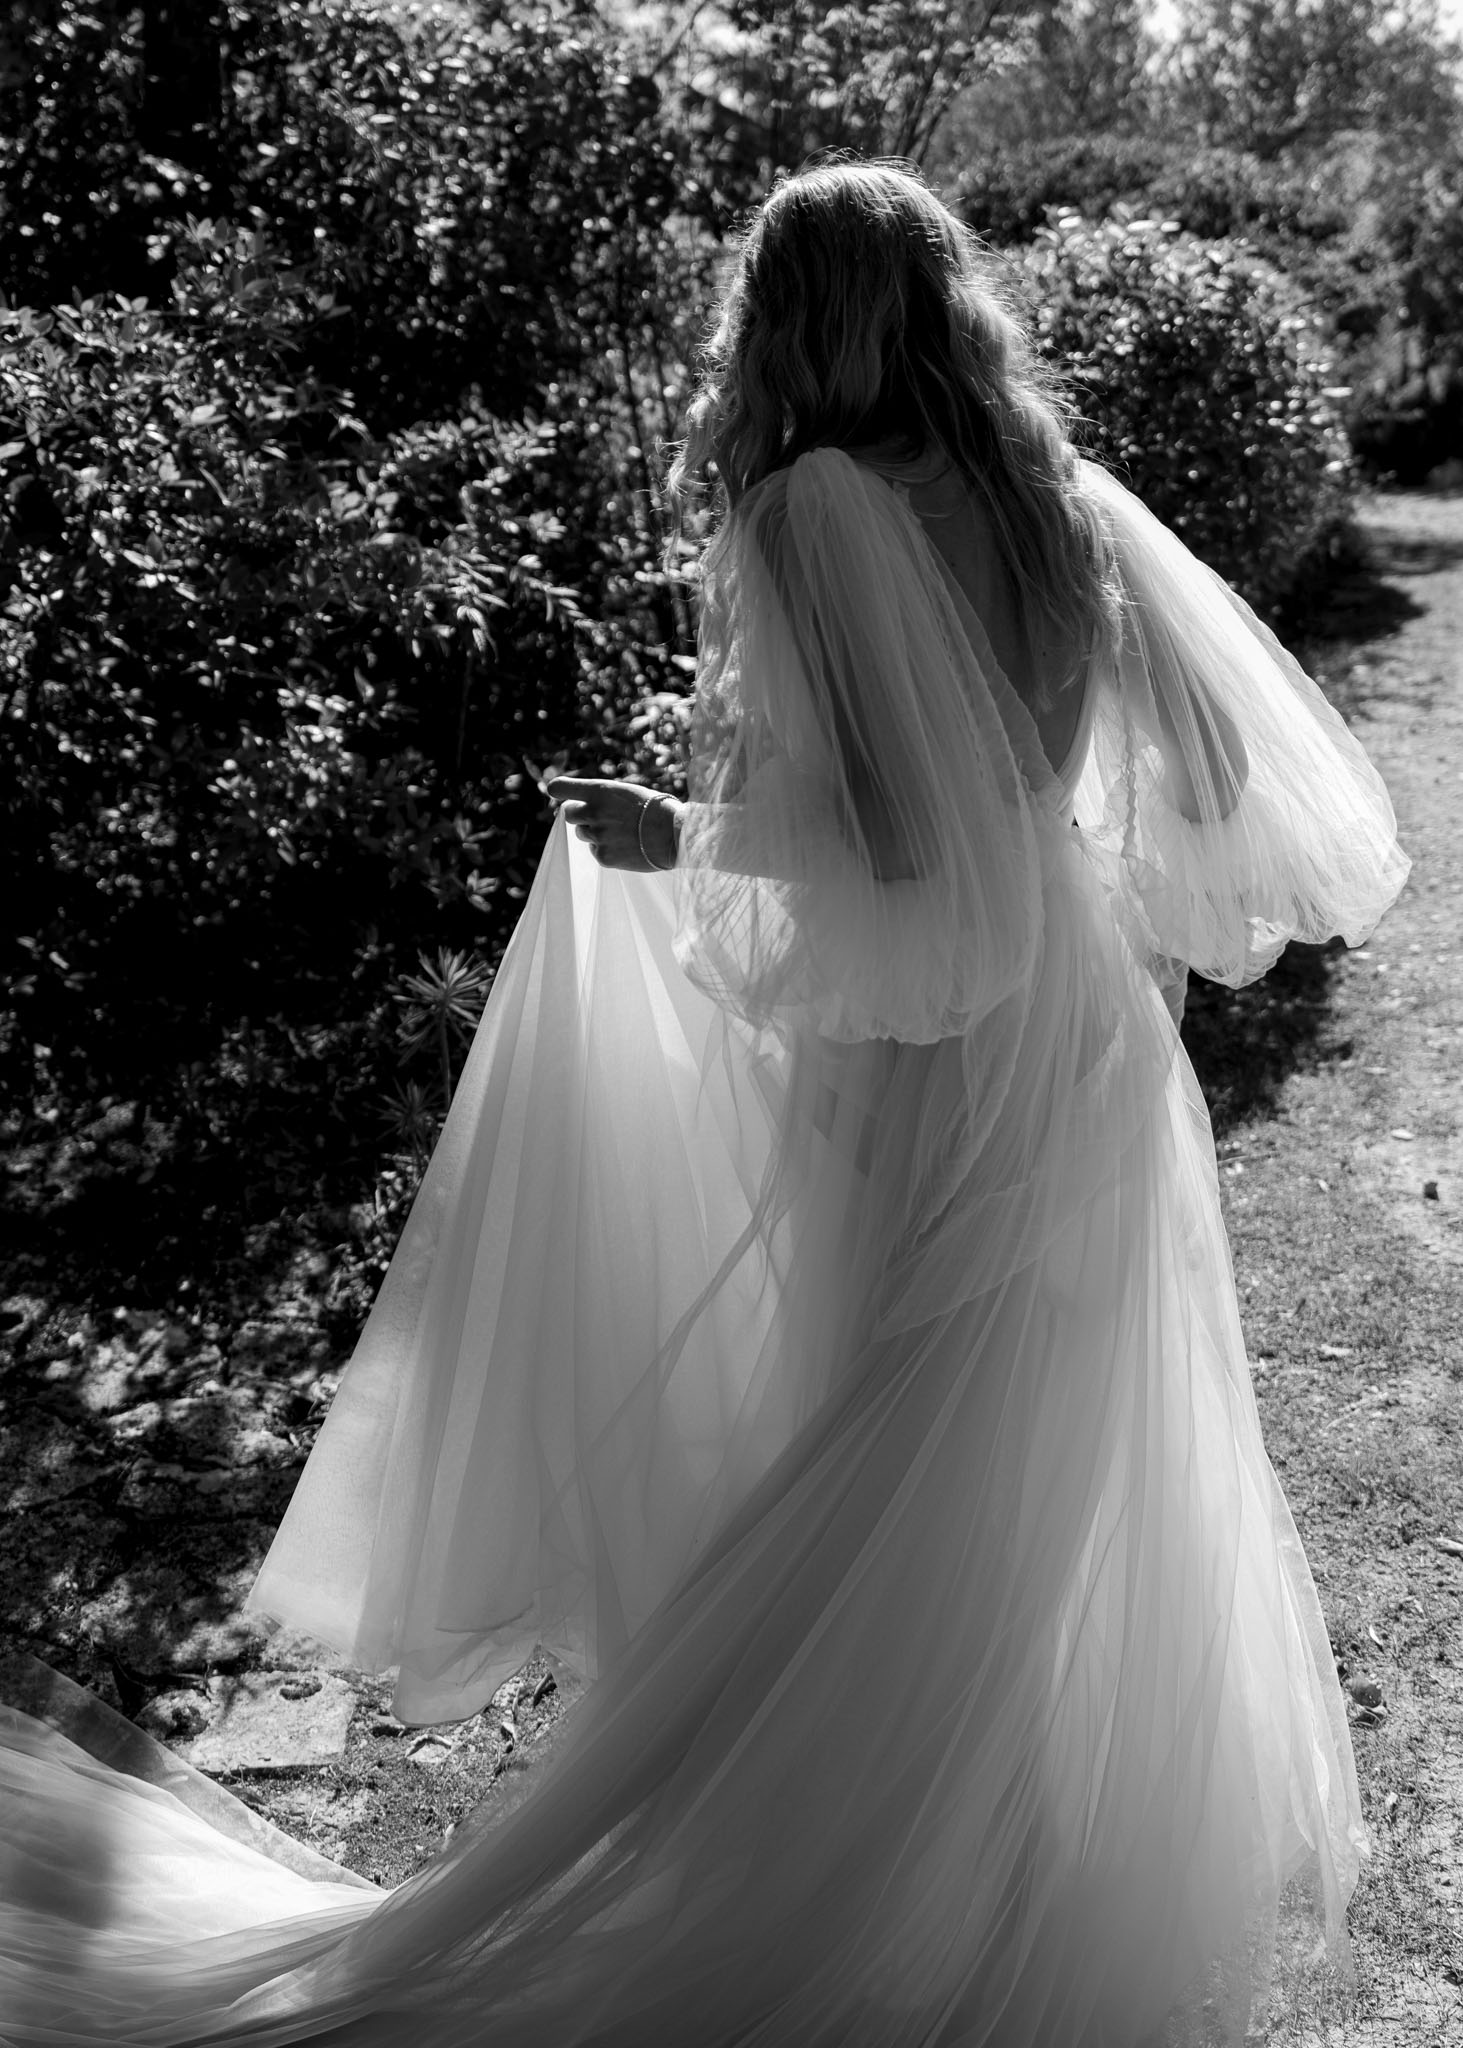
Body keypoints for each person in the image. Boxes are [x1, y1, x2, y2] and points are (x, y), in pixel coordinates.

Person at [0, 159, 1408, 2047]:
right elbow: (1220, 771)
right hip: (1079, 1041)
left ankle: (828, 1868)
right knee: (1047, 1461)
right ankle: (995, 1884)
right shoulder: (1061, 500)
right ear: (941, 307)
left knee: (905, 1453)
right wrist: (1062, 858)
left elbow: (903, 842)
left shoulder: (823, 508)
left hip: (934, 1070)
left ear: (794, 317)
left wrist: (690, 836)